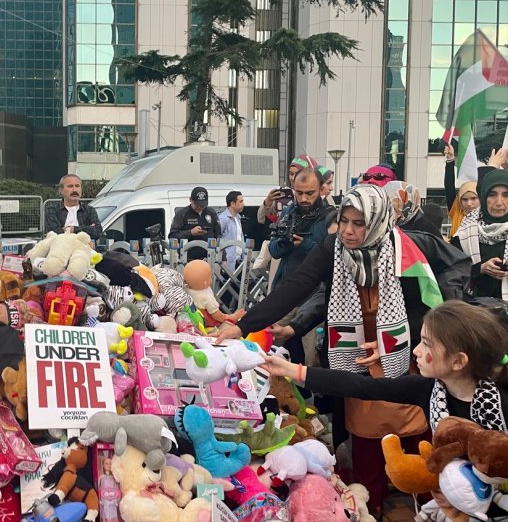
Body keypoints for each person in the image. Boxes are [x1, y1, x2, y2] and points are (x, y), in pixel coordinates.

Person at [217, 184, 471, 516]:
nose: (349, 232)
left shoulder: (409, 246)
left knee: (415, 437)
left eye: (359, 223)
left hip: (406, 351)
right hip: (352, 352)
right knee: (364, 432)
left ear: (379, 221)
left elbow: (457, 269)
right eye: (345, 221)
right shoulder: (334, 248)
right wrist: (244, 324)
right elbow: (299, 285)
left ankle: (426, 507)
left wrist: (409, 335)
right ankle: (371, 506)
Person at [262, 300, 508, 518]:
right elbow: (363, 386)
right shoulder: (430, 390)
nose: (416, 351)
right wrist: (293, 371)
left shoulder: (501, 404)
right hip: (455, 506)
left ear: (458, 361)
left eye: (425, 344)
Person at [269, 168, 333, 290]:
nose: (304, 199)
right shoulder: (288, 212)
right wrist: (287, 243)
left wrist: (305, 244)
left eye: (309, 193)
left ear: (320, 190)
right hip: (284, 290)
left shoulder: (330, 216)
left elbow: (333, 260)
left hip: (314, 295)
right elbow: (274, 251)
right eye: (299, 193)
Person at [452, 167, 508, 299]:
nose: (499, 202)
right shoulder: (465, 232)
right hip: (475, 312)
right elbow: (450, 270)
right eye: (492, 194)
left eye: (506, 195)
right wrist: (479, 269)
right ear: (483, 197)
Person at [168, 186, 221, 261]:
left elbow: (218, 235)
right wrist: (191, 232)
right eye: (197, 204)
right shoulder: (182, 213)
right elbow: (172, 235)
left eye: (202, 205)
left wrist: (222, 257)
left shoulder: (211, 213)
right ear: (190, 200)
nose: (200, 207)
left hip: (209, 258)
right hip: (188, 259)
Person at [44, 174, 103, 239]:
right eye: (70, 186)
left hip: (83, 248)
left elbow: (98, 232)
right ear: (61, 190)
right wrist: (88, 229)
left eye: (77, 186)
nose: (74, 190)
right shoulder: (52, 210)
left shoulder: (89, 210)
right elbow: (55, 234)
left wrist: (73, 229)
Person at [443, 143, 479, 241]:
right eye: (464, 199)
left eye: (473, 198)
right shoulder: (457, 211)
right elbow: (449, 187)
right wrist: (450, 159)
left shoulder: (486, 216)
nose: (469, 203)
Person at [218, 191, 245, 270]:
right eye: (241, 201)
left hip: (238, 261)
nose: (244, 204)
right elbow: (218, 238)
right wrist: (222, 259)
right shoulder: (223, 219)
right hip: (227, 263)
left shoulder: (238, 218)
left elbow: (240, 238)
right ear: (232, 204)